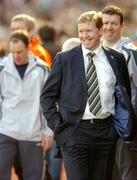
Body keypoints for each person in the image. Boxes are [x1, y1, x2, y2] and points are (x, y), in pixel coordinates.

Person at [40, 10, 134, 180]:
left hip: (106, 132)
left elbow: (123, 96)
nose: (84, 36)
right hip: (74, 131)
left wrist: (118, 127)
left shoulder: (116, 58)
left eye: (88, 31)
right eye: (81, 31)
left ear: (100, 31)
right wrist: (57, 124)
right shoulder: (64, 59)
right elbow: (47, 96)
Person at [0, 30, 53, 180]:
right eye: (13, 52)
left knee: (33, 177)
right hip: (5, 131)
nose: (16, 56)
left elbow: (48, 101)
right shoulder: (2, 67)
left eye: (20, 52)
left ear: (29, 48)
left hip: (32, 133)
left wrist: (48, 131)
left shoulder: (42, 68)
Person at [102, 5, 137, 180]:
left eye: (114, 23)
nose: (109, 27)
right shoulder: (94, 52)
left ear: (122, 26)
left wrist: (132, 121)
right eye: (106, 23)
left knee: (127, 171)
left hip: (125, 124)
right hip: (100, 124)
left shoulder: (131, 54)